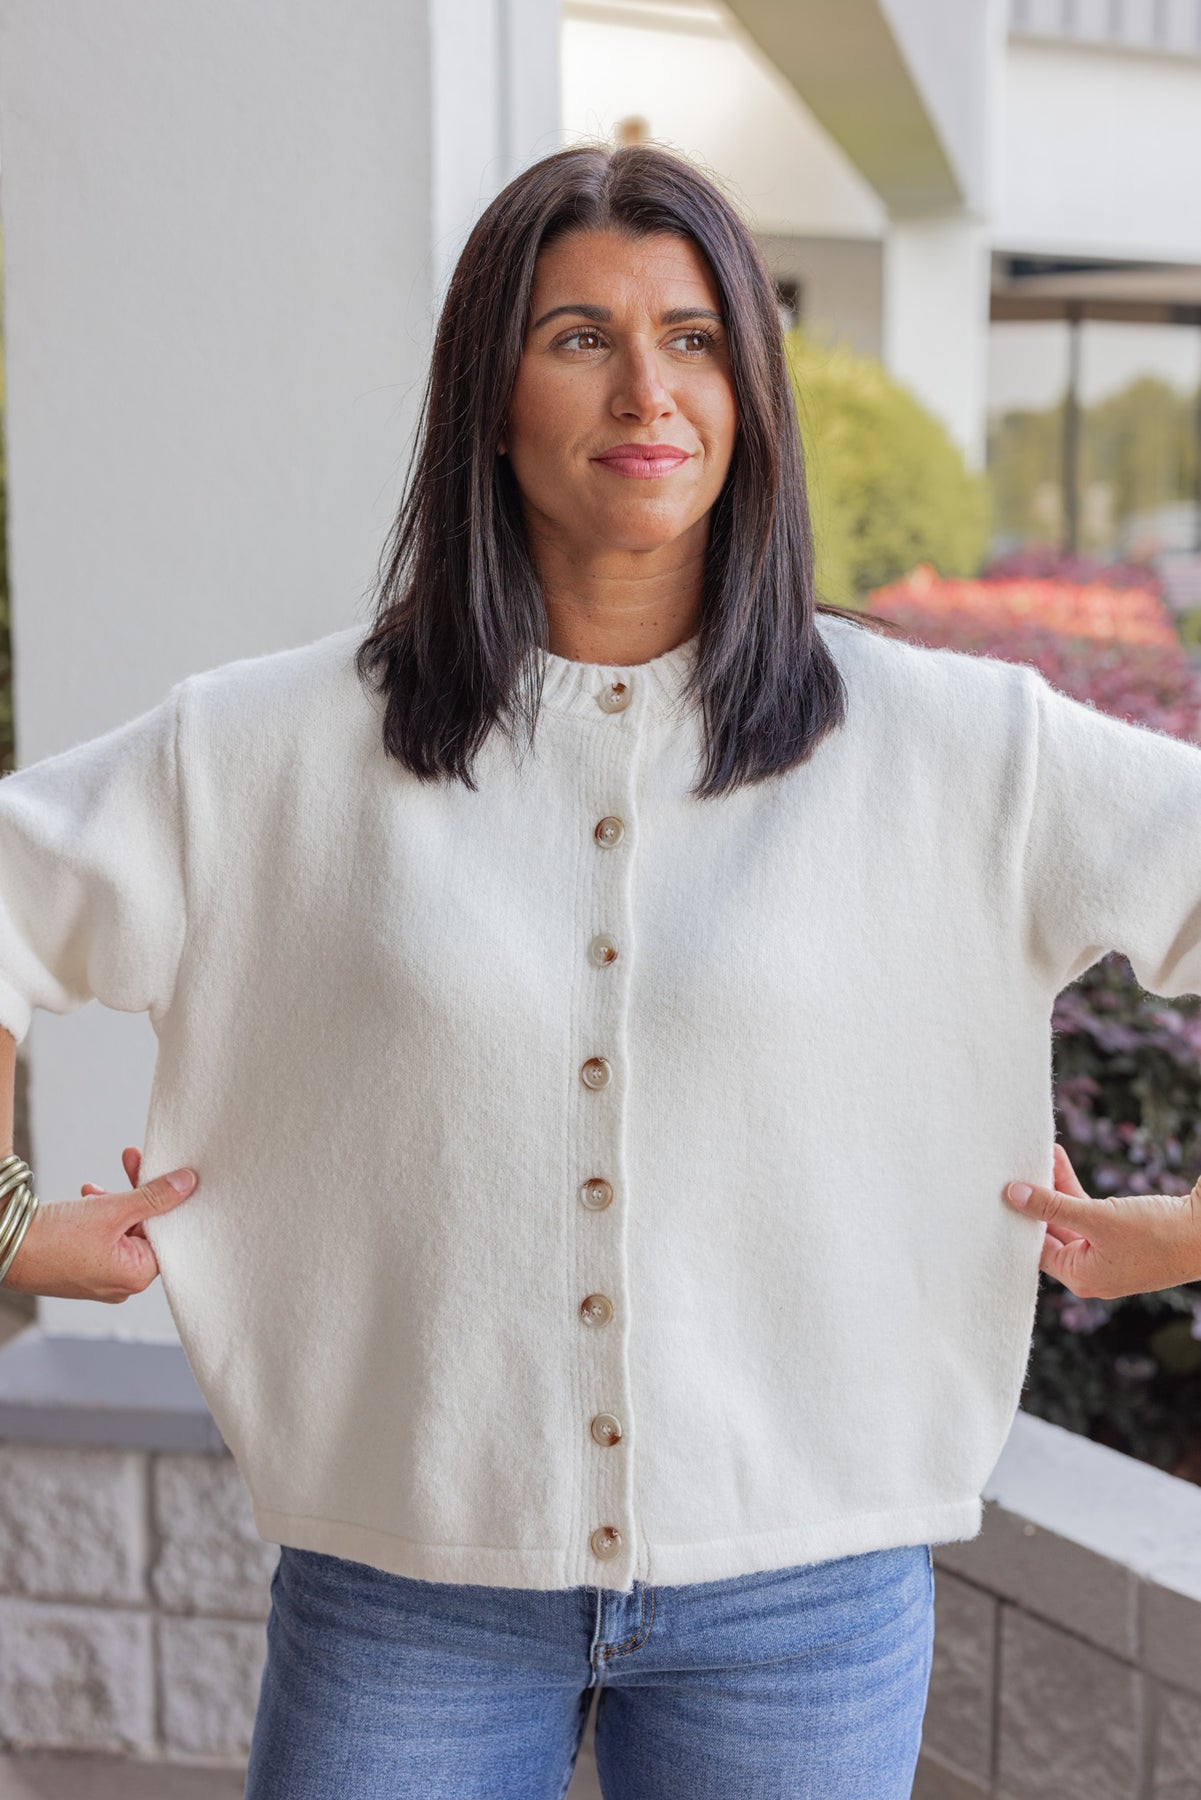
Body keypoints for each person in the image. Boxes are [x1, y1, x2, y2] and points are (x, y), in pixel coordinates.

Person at [2, 143, 1201, 1798]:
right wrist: (6, 1222)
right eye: (579, 337)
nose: (648, 390)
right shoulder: (262, 751)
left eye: (693, 338)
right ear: (486, 401)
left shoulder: (958, 747)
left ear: (750, 392)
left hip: (808, 1602)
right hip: (404, 1593)